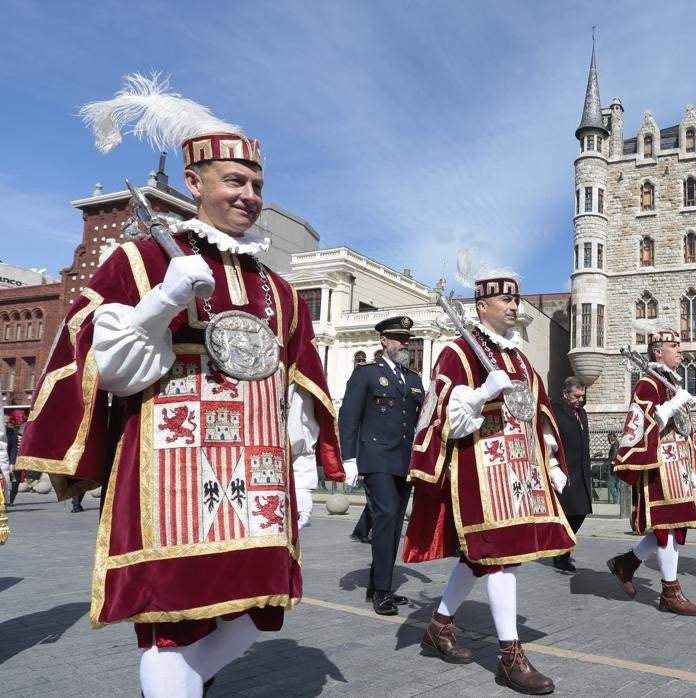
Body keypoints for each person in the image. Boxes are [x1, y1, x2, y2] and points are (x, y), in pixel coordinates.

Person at [15, 74, 348, 697]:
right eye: (234, 182)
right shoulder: (140, 261)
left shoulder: (276, 288)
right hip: (167, 471)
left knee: (256, 607)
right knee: (169, 621)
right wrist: (162, 301)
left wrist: (301, 473)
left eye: (256, 185)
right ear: (194, 184)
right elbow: (104, 367)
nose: (249, 195)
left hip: (255, 472)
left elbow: (295, 390)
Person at [404, 264, 573, 695]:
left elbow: (538, 414)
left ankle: (438, 626)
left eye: (516, 299)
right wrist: (482, 393)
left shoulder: (518, 357)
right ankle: (509, 657)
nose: (515, 306)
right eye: (506, 300)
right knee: (499, 555)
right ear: (482, 306)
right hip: (479, 467)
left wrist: (551, 460)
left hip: (519, 469)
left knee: (484, 556)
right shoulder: (458, 352)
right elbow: (442, 415)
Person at [607, 325, 696, 616]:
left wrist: (693, 464)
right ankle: (670, 592)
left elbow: (684, 431)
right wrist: (674, 404)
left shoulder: (671, 381)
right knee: (666, 527)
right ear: (658, 351)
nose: (680, 351)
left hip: (678, 465)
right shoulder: (648, 383)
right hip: (660, 465)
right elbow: (642, 424)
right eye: (675, 347)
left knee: (673, 526)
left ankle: (626, 563)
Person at [338, 316, 424, 615]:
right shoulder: (366, 374)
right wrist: (348, 459)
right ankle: (383, 591)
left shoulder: (413, 379)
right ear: (384, 341)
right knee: (386, 516)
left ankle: (378, 583)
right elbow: (348, 417)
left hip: (404, 460)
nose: (405, 343)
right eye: (399, 338)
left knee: (394, 520)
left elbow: (421, 422)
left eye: (407, 339)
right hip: (375, 458)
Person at [550, 376, 592, 573]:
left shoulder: (581, 413)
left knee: (581, 511)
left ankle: (562, 549)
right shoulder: (554, 410)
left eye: (582, 396)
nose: (580, 400)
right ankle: (561, 553)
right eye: (576, 396)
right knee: (569, 512)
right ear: (566, 393)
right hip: (565, 471)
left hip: (581, 470)